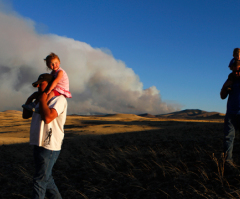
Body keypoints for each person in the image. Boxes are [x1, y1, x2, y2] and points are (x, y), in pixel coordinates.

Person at [22, 73, 67, 199]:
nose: (37, 87)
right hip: (38, 143)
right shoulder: (40, 100)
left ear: (50, 84)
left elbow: (47, 118)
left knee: (39, 181)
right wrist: (31, 98)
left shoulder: (59, 99)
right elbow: (25, 115)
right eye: (36, 85)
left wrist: (42, 99)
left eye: (40, 84)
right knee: (47, 178)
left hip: (50, 146)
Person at [221, 60, 240, 163]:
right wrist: (225, 86)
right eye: (234, 71)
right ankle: (228, 163)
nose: (236, 73)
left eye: (238, 71)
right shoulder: (230, 80)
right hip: (231, 114)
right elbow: (222, 96)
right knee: (228, 138)